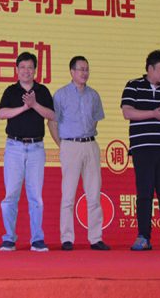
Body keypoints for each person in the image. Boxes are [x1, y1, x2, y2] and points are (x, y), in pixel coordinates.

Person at [121, 50, 160, 251]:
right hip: (142, 148)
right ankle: (143, 237)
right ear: (150, 68)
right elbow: (127, 112)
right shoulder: (133, 85)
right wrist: (153, 114)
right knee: (144, 192)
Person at [48, 56, 110, 251]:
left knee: (94, 193)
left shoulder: (94, 95)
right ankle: (67, 238)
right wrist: (62, 145)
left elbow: (96, 119)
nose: (84, 73)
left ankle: (96, 238)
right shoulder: (61, 95)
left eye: (86, 69)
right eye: (81, 69)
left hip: (90, 145)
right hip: (70, 146)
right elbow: (52, 122)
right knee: (68, 194)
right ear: (72, 72)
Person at [0, 52, 55, 252]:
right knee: (11, 195)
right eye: (22, 67)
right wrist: (24, 107)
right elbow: (2, 113)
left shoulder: (42, 90)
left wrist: (34, 104)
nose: (26, 71)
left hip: (36, 148)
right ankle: (9, 238)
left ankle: (37, 239)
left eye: (30, 67)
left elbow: (52, 115)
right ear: (17, 70)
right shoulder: (11, 91)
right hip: (14, 147)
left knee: (36, 196)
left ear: (35, 70)